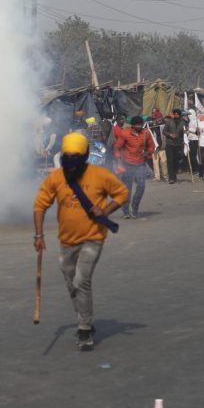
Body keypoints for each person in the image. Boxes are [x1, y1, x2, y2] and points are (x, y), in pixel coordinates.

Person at [34, 133, 130, 350]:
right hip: (66, 241)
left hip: (93, 237)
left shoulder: (100, 175)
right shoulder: (56, 178)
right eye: (68, 155)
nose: (72, 159)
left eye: (76, 155)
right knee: (71, 282)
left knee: (81, 281)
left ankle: (84, 329)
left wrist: (104, 210)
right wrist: (38, 236)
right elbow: (40, 205)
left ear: (85, 155)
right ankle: (83, 317)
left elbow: (122, 194)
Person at [114, 116, 155, 219]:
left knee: (141, 186)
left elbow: (152, 146)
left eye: (140, 124)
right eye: (137, 125)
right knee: (127, 189)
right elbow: (117, 148)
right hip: (127, 164)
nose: (139, 126)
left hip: (140, 164)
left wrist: (147, 152)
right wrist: (119, 161)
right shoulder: (125, 133)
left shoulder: (146, 133)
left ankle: (135, 207)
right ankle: (125, 211)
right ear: (132, 125)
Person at [163, 109, 186, 184]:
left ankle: (174, 175)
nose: (176, 115)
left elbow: (185, 133)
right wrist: (170, 135)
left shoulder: (183, 123)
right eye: (175, 114)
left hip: (178, 144)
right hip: (170, 144)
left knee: (176, 161)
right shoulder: (169, 122)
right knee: (170, 160)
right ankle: (171, 177)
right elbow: (164, 131)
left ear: (180, 115)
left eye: (177, 114)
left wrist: (186, 132)